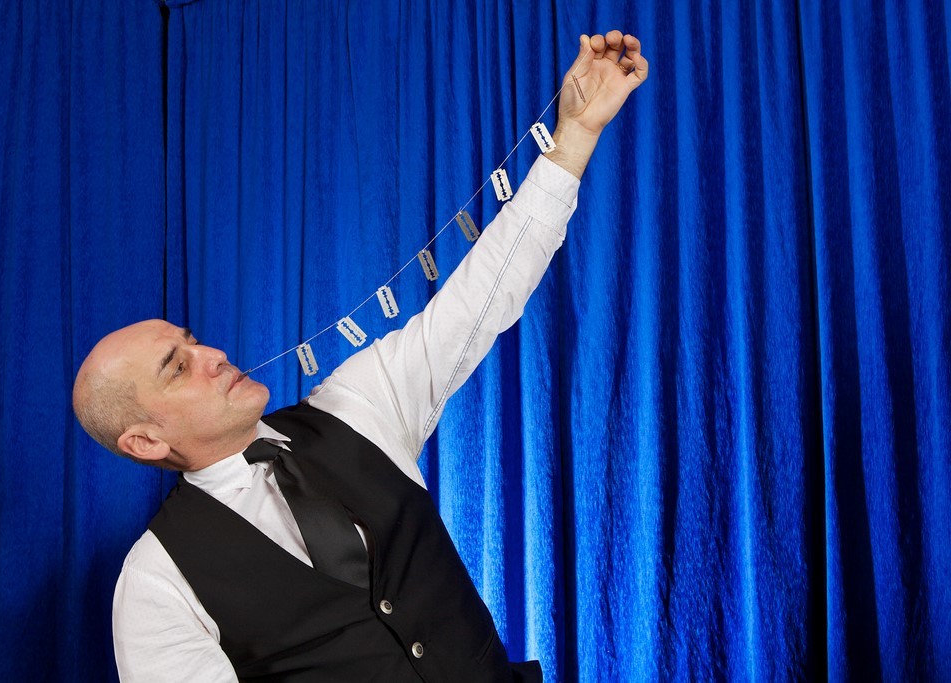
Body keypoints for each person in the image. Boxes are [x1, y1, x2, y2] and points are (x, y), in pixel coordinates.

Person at [73, 31, 648, 683]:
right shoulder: (155, 582)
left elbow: (484, 294)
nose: (212, 355)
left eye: (193, 340)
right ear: (145, 441)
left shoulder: (358, 402)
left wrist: (575, 135)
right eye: (178, 366)